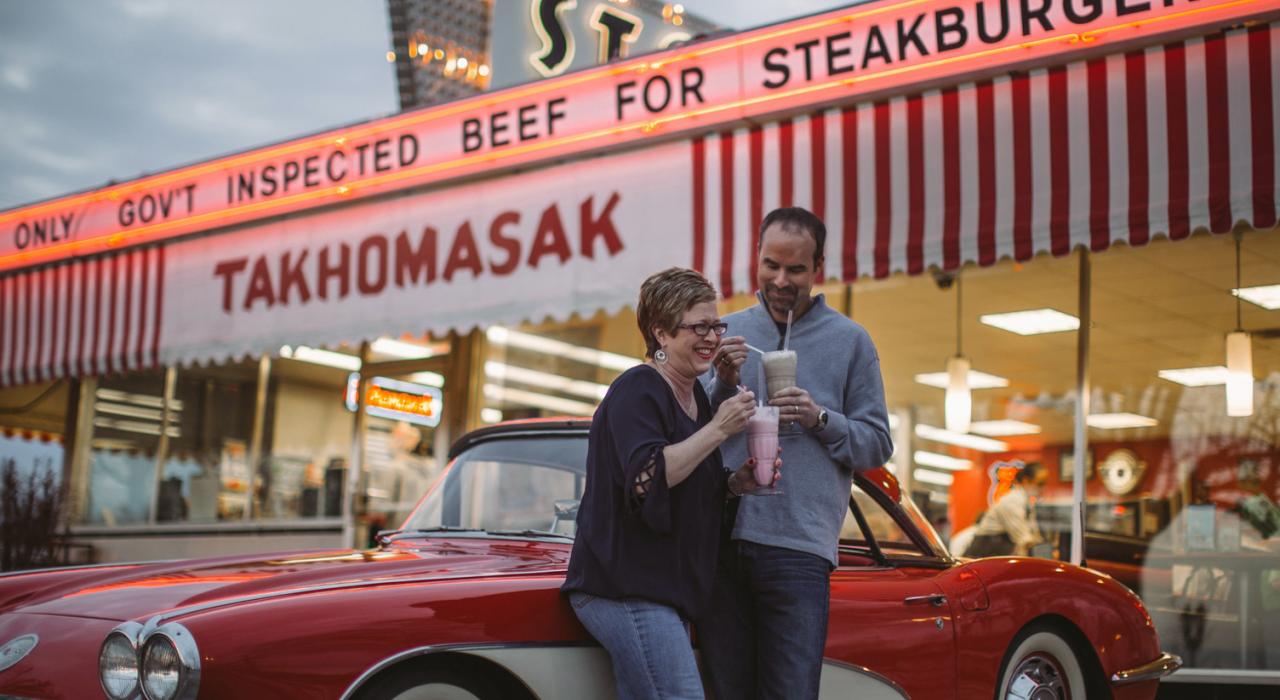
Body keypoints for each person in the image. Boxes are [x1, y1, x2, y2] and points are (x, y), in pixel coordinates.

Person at [699, 207, 894, 700]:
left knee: (790, 691)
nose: (780, 280)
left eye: (795, 269)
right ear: (756, 260)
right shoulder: (725, 333)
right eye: (771, 265)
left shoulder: (850, 342)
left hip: (799, 548)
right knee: (725, 691)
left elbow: (877, 444)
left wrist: (820, 418)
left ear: (818, 267)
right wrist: (720, 382)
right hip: (719, 539)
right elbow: (690, 427)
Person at [562, 267, 778, 700]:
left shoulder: (695, 395)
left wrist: (737, 482)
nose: (712, 337)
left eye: (716, 325)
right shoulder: (638, 389)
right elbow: (647, 480)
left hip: (658, 590)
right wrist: (719, 429)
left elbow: (687, 487)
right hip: (623, 587)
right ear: (660, 333)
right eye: (698, 326)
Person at [966, 462, 1047, 557]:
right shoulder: (1012, 501)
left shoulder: (1026, 503)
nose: (1042, 488)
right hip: (984, 552)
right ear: (1026, 480)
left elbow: (1033, 534)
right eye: (1040, 483)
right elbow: (1024, 539)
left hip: (998, 551)